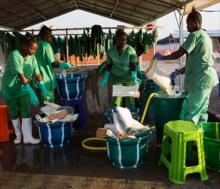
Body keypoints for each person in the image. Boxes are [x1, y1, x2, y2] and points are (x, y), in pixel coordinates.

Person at [154, 10, 218, 124]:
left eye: (188, 23)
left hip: (200, 81)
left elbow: (179, 53)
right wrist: (179, 71)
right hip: (207, 79)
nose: (187, 26)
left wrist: (162, 58)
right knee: (202, 114)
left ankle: (189, 141)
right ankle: (200, 140)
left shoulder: (194, 35)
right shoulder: (205, 36)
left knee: (191, 114)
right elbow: (198, 61)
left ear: (195, 22)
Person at [1, 37, 50, 144]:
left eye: (35, 49)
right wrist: (30, 90)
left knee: (26, 111)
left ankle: (28, 138)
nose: (34, 52)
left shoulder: (32, 57)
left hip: (23, 89)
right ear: (25, 47)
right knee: (13, 113)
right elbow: (20, 75)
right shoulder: (15, 55)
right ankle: (18, 136)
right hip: (10, 89)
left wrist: (42, 84)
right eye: (32, 49)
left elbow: (37, 73)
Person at [99, 28, 138, 108]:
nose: (123, 42)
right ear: (117, 39)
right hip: (116, 78)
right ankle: (116, 115)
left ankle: (131, 115)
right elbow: (108, 66)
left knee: (130, 98)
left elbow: (133, 65)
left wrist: (134, 76)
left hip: (128, 78)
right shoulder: (111, 51)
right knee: (117, 98)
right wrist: (105, 78)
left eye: (125, 40)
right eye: (121, 40)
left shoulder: (130, 50)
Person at [35, 25, 73, 104]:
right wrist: (64, 65)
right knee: (49, 107)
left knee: (44, 107)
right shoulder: (46, 45)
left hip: (39, 80)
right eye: (50, 36)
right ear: (45, 35)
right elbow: (53, 63)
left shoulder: (37, 45)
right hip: (46, 81)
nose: (51, 38)